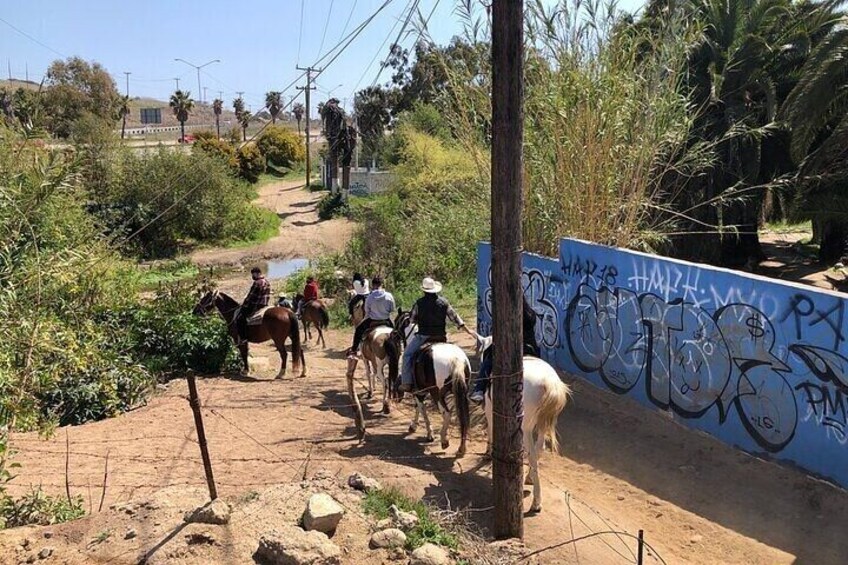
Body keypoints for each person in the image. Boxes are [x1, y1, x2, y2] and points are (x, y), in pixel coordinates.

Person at [398, 277, 476, 393]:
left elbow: (412, 320)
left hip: (423, 336)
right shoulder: (444, 302)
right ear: (435, 290)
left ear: (424, 290)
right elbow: (455, 318)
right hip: (441, 336)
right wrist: (467, 329)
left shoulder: (419, 303)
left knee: (407, 355)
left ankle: (407, 382)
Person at [470, 295, 539, 403]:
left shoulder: (508, 314)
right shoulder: (531, 313)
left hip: (514, 348)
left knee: (489, 355)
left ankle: (479, 388)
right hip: (531, 349)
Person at [346, 275, 395, 358]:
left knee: (358, 330)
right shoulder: (389, 295)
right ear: (381, 284)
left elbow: (367, 311)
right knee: (396, 332)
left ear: (373, 285)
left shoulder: (370, 297)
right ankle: (400, 345)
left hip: (372, 320)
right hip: (386, 320)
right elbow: (392, 309)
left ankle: (354, 350)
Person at [237, 267, 271, 345]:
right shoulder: (266, 281)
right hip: (265, 304)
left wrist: (244, 304)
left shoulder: (257, 282)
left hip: (256, 305)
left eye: (253, 274)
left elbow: (250, 296)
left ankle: (243, 338)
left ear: (257, 273)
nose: (252, 276)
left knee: (240, 318)